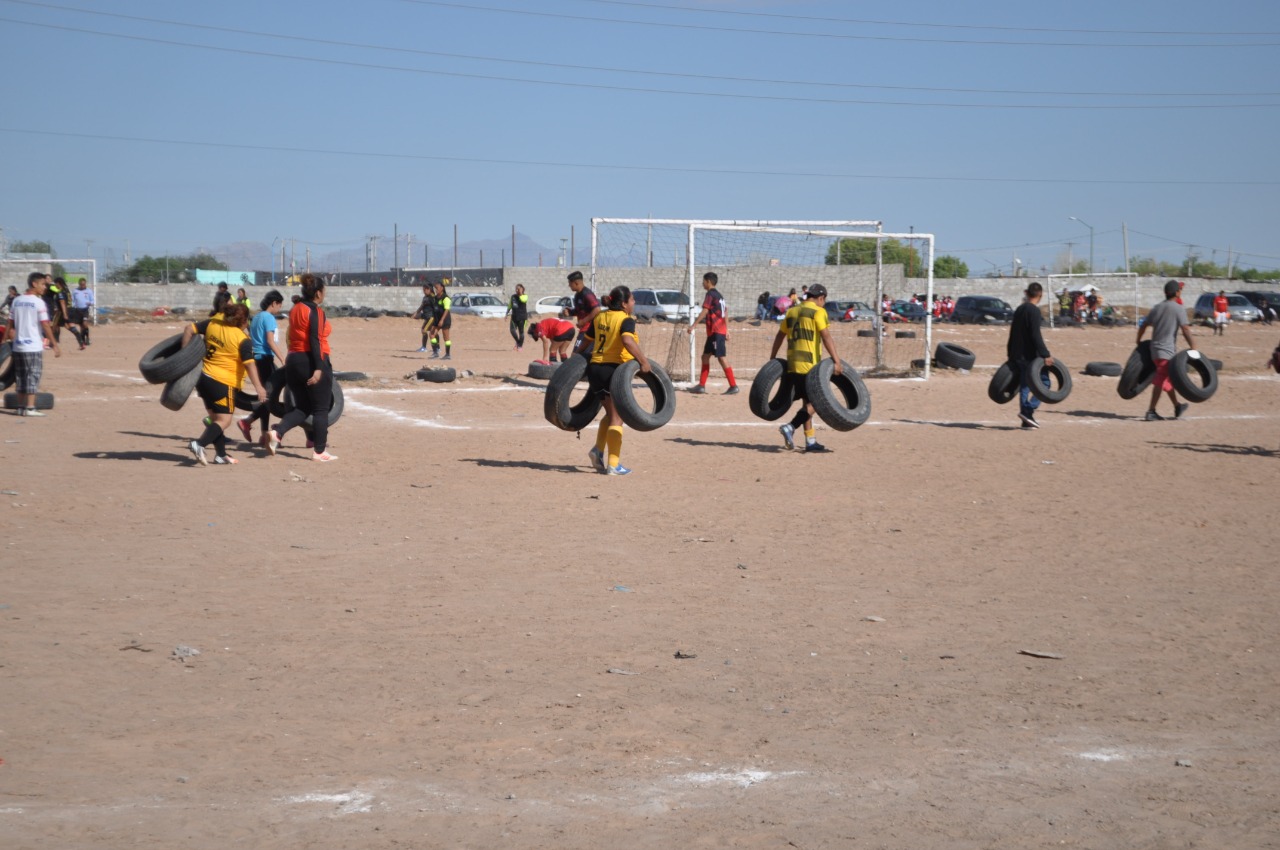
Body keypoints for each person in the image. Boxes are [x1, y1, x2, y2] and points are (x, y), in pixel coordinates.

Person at [182, 302, 267, 465]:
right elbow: (249, 365)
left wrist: (184, 359)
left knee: (215, 419)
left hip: (202, 378)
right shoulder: (242, 339)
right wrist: (259, 387)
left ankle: (221, 455)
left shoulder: (212, 324)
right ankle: (199, 444)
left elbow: (188, 329)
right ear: (244, 321)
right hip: (222, 383)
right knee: (224, 421)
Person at [579, 285, 652, 476]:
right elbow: (627, 341)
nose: (634, 303)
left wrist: (576, 358)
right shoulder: (625, 320)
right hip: (612, 371)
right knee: (618, 418)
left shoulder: (600, 316)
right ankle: (613, 464)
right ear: (624, 304)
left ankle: (598, 450)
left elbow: (586, 340)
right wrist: (643, 362)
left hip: (595, 370)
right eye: (632, 300)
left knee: (611, 414)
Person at [266, 273, 338, 461]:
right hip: (311, 360)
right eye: (323, 291)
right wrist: (319, 368)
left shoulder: (296, 308)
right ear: (318, 293)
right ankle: (320, 451)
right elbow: (315, 340)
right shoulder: (315, 312)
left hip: (293, 361)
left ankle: (278, 432)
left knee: (303, 407)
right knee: (321, 409)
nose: (324, 294)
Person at [769, 283, 841, 453]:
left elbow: (780, 335)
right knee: (818, 401)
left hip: (792, 364)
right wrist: (836, 361)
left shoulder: (792, 311)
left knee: (807, 402)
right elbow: (826, 337)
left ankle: (810, 441)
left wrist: (772, 358)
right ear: (821, 298)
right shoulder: (818, 312)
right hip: (810, 366)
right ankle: (790, 426)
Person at [1136, 279, 1197, 421]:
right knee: (1161, 378)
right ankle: (1151, 411)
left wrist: (1138, 341)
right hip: (1166, 351)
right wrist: (1193, 348)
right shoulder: (1178, 308)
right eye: (1180, 290)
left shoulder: (1157, 308)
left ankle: (1177, 406)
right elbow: (1185, 329)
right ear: (1177, 293)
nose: (1181, 292)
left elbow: (1143, 325)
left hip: (1154, 351)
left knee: (1166, 378)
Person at [236, 289, 288, 445]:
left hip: (256, 359)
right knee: (269, 398)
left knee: (265, 396)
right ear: (274, 303)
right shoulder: (269, 318)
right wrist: (283, 359)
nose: (279, 308)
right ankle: (247, 421)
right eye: (279, 305)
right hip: (265, 359)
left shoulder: (257, 317)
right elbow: (270, 341)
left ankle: (264, 435)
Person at [4, 272, 60, 416]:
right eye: (43, 284)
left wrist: (4, 340)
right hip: (33, 346)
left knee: (20, 377)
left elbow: (10, 322)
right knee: (33, 376)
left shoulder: (17, 301)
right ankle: (30, 408)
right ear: (34, 284)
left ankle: (20, 407)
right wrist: (54, 344)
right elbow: (45, 324)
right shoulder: (38, 302)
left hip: (18, 346)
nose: (45, 287)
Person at [1007, 282, 1054, 430]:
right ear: (1040, 295)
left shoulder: (1020, 309)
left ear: (1027, 293)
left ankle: (1025, 420)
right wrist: (1045, 354)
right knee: (1045, 383)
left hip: (1017, 354)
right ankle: (1028, 411)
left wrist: (1010, 353)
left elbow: (1013, 333)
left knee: (1025, 386)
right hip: (1030, 356)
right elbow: (1035, 335)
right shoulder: (1034, 311)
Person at [685, 272, 739, 395]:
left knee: (721, 358)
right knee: (705, 357)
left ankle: (733, 386)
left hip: (716, 331)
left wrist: (693, 325)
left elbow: (705, 310)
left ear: (708, 281)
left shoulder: (710, 294)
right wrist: (727, 330)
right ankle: (701, 386)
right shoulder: (719, 295)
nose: (702, 283)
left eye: (703, 281)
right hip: (715, 332)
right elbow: (725, 312)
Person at [563, 271, 600, 351]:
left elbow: (597, 309)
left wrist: (583, 321)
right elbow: (579, 311)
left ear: (576, 283)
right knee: (584, 354)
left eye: (570, 283)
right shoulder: (577, 295)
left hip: (589, 329)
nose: (569, 285)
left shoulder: (587, 294)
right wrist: (569, 312)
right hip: (584, 329)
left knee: (576, 354)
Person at [427, 280, 453, 360]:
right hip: (437, 319)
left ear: (442, 288)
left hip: (444, 320)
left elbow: (446, 310)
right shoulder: (435, 298)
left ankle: (448, 354)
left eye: (437, 288)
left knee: (446, 337)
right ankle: (435, 352)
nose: (436, 290)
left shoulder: (446, 298)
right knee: (431, 335)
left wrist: (442, 320)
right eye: (435, 288)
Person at [69, 278, 94, 348]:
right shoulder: (75, 291)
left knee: (85, 324)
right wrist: (73, 307)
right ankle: (83, 340)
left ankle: (87, 338)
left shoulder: (89, 291)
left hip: (85, 310)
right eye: (81, 284)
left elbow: (92, 300)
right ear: (79, 284)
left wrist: (90, 303)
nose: (83, 286)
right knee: (81, 326)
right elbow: (72, 300)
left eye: (84, 284)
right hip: (77, 310)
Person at [411, 283, 436, 352]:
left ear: (429, 289)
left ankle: (427, 348)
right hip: (427, 317)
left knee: (425, 331)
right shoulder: (425, 297)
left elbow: (436, 307)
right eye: (423, 290)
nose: (424, 291)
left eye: (425, 290)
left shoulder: (432, 298)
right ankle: (434, 348)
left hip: (431, 317)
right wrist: (416, 313)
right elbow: (421, 306)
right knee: (429, 332)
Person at [506, 283, 529, 351]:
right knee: (512, 330)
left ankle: (520, 346)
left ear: (522, 289)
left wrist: (520, 293)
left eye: (518, 289)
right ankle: (518, 342)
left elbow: (523, 300)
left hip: (522, 317)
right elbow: (510, 305)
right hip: (514, 317)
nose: (517, 290)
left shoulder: (525, 296)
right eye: (516, 289)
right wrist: (507, 313)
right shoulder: (513, 296)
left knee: (521, 332)